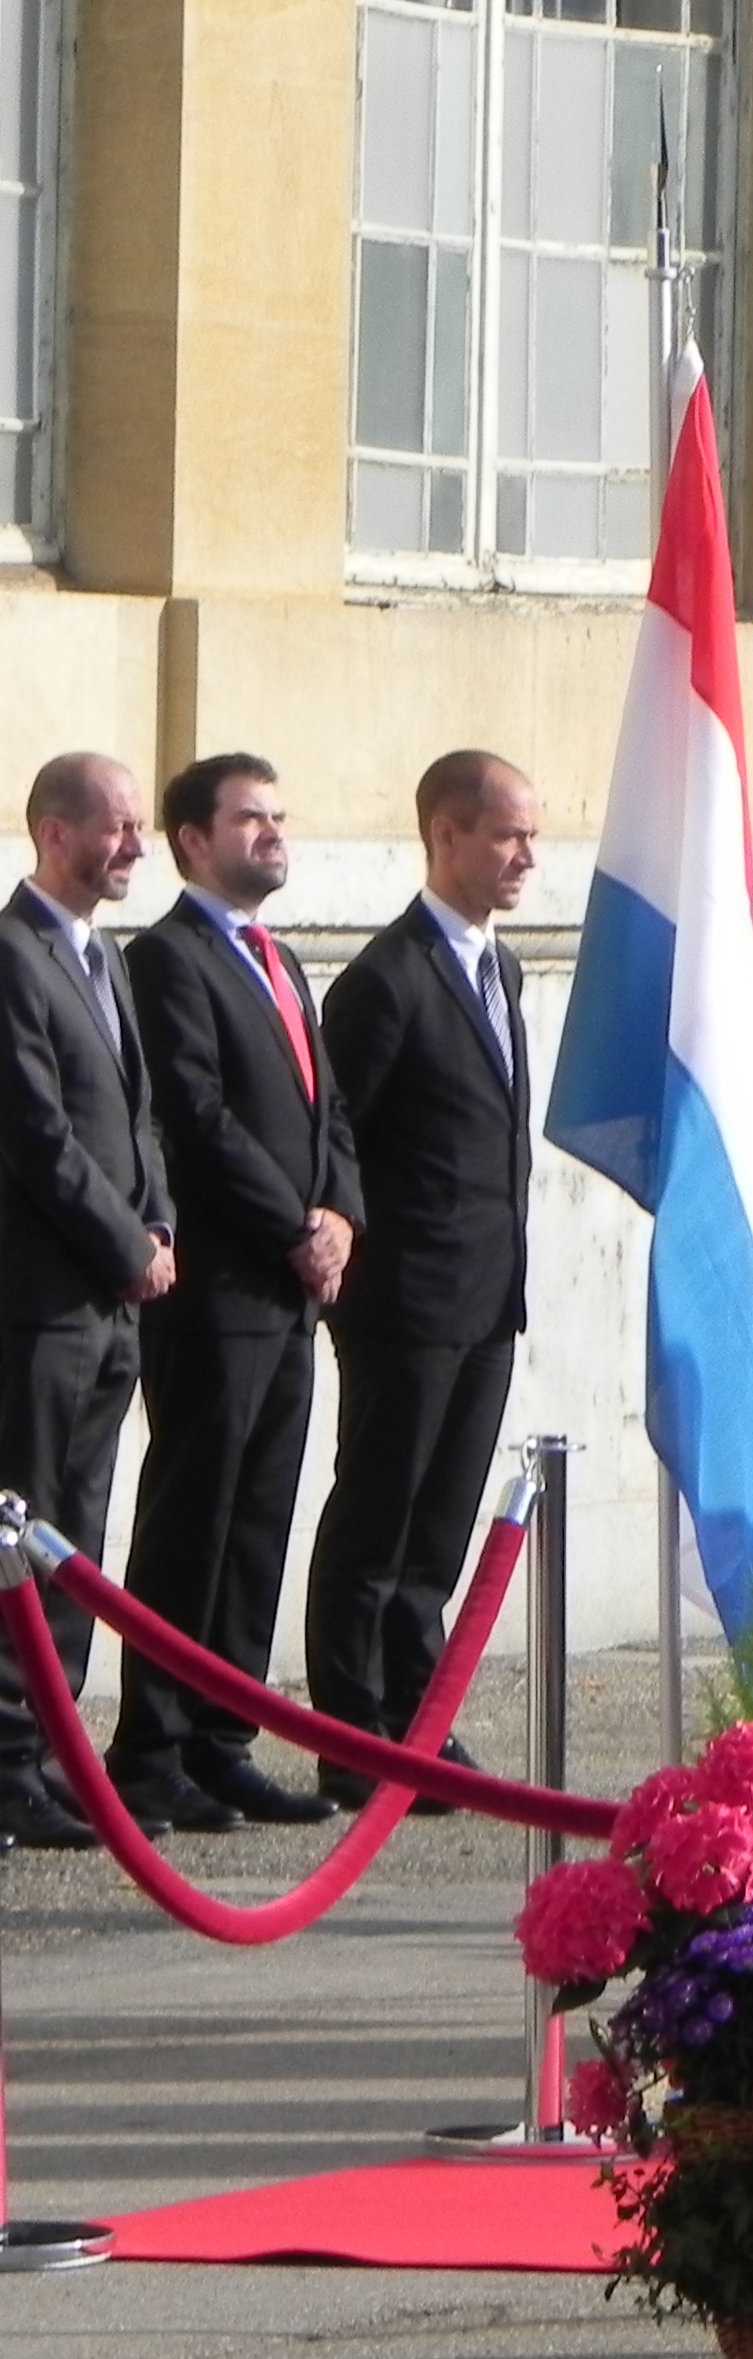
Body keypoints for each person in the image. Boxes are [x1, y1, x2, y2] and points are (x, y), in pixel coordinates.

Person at [113, 752, 362, 1830]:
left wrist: (342, 1214)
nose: (271, 833)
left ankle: (225, 1737)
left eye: (278, 814)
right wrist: (290, 1227)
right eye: (247, 818)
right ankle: (153, 1748)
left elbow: (329, 1112)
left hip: (294, 1291)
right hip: (218, 1288)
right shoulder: (168, 961)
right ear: (192, 841)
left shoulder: (282, 960)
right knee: (193, 1519)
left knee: (260, 1523)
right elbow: (199, 1119)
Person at [304, 751, 537, 1808]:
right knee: (378, 1517)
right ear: (447, 837)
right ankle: (354, 1735)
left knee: (439, 1531)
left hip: (487, 1297)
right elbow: (334, 1127)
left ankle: (418, 1720)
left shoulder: (503, 967)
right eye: (506, 835)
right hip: (405, 1299)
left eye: (530, 835)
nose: (526, 855)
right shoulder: (389, 978)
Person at [0, 754, 175, 1852]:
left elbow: (138, 1119)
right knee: (27, 1526)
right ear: (54, 834)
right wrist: (123, 1244)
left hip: (117, 1296)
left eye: (140, 826)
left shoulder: (103, 958)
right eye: (116, 828)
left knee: (76, 1537)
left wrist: (158, 1228)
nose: (135, 848)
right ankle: (8, 1757)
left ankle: (56, 1754)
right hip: (44, 1302)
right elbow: (34, 1133)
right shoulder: (12, 958)